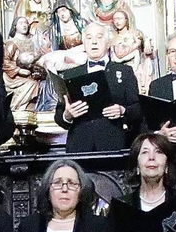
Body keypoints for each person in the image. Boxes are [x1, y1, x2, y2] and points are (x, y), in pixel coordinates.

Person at [55, 23, 143, 152]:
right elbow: (59, 115)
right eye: (89, 38)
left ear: (108, 42)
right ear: (84, 44)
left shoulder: (125, 71)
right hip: (79, 148)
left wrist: (123, 110)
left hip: (115, 145)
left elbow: (138, 109)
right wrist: (67, 115)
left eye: (99, 37)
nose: (94, 42)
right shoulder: (70, 75)